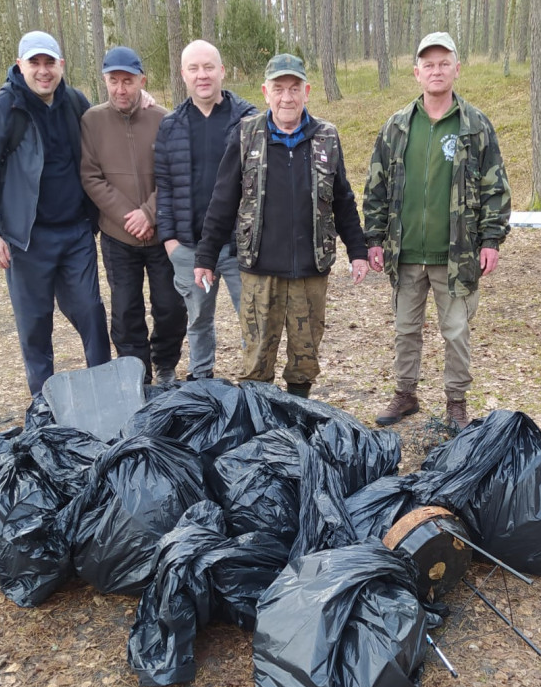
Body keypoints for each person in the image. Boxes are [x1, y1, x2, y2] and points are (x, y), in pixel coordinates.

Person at [193, 53, 369, 397]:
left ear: (307, 92)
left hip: (310, 270)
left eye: (294, 89)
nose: (286, 98)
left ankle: (297, 411)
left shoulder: (327, 137)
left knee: (305, 357)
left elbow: (343, 200)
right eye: (278, 89)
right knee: (257, 358)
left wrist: (358, 251)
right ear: (265, 92)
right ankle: (260, 417)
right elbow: (223, 201)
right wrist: (205, 257)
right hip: (260, 270)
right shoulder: (246, 135)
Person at [363, 31, 511, 431]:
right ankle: (405, 393)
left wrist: (491, 239)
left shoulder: (475, 126)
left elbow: (495, 187)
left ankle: (456, 402)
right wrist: (374, 238)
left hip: (456, 253)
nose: (436, 71)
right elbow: (376, 187)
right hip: (406, 250)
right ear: (417, 73)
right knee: (405, 329)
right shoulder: (396, 127)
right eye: (428, 64)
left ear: (457, 69)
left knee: (456, 331)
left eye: (444, 63)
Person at [0, 30, 111, 397]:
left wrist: (142, 102)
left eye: (50, 62)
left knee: (91, 312)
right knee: (35, 325)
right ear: (20, 65)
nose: (43, 71)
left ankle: (106, 391)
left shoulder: (75, 102)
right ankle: (43, 403)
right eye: (35, 63)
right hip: (27, 238)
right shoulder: (3, 109)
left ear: (61, 65)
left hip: (76, 232)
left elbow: (105, 130)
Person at [80, 46, 186, 386]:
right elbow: (91, 176)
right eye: (114, 81)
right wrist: (130, 216)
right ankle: (136, 374)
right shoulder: (92, 121)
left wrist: (149, 213)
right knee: (126, 310)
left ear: (142, 80)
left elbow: (175, 173)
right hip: (118, 235)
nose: (121, 89)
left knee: (170, 306)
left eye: (128, 81)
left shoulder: (164, 119)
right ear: (105, 81)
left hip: (162, 234)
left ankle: (166, 364)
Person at [154, 40, 258, 380]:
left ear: (222, 71)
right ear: (183, 74)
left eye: (209, 67)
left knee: (253, 319)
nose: (202, 75)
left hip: (240, 245)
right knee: (198, 319)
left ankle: (256, 380)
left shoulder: (248, 119)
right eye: (194, 68)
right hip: (189, 245)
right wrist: (170, 241)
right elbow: (164, 185)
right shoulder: (171, 125)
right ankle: (201, 379)